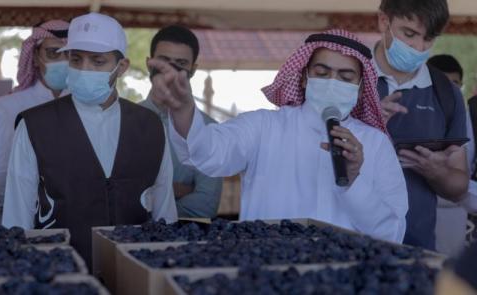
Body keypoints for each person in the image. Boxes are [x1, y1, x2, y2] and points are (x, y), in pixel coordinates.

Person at [149, 29, 408, 243]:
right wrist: (183, 109)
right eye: (322, 73)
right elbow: (208, 152)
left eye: (345, 76)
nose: (332, 81)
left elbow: (391, 233)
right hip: (269, 274)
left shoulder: (375, 144)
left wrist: (355, 181)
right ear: (305, 78)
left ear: (360, 88)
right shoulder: (264, 127)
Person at [2, 12, 177, 265]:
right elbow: (18, 216)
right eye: (76, 59)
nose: (84, 70)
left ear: (122, 67)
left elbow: (165, 211)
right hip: (59, 271)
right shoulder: (34, 124)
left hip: (136, 268)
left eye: (97, 61)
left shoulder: (149, 125)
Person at [374, 0, 468, 250]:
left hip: (417, 248)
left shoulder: (446, 94)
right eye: (409, 34)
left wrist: (437, 172)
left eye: (429, 39)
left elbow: (459, 187)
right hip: (345, 242)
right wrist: (367, 127)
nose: (418, 47)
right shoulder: (346, 80)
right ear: (384, 21)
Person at [140, 25, 222, 218]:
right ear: (149, 64)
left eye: (180, 63)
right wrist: (176, 191)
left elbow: (206, 204)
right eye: (163, 60)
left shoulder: (209, 128)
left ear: (193, 69)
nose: (170, 69)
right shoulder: (122, 120)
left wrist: (151, 199)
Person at [0, 20, 69, 225]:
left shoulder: (87, 107)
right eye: (53, 53)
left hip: (72, 219)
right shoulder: (4, 109)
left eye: (70, 54)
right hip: (10, 218)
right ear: (36, 57)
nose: (63, 61)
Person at [427, 54, 477, 255]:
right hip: (422, 209)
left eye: (455, 84)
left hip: (460, 211)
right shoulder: (413, 115)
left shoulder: (471, 115)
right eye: (443, 83)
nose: (449, 90)